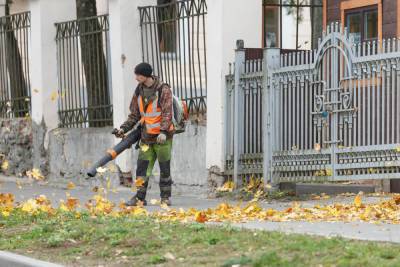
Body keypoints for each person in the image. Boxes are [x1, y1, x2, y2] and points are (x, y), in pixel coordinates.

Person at [113, 63, 174, 206]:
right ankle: (139, 198)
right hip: (146, 138)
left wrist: (164, 131)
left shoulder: (163, 90)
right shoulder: (139, 90)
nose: (135, 78)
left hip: (162, 139)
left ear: (145, 75)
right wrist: (123, 129)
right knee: (142, 169)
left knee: (165, 169)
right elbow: (134, 114)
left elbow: (167, 112)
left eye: (138, 75)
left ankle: (165, 197)